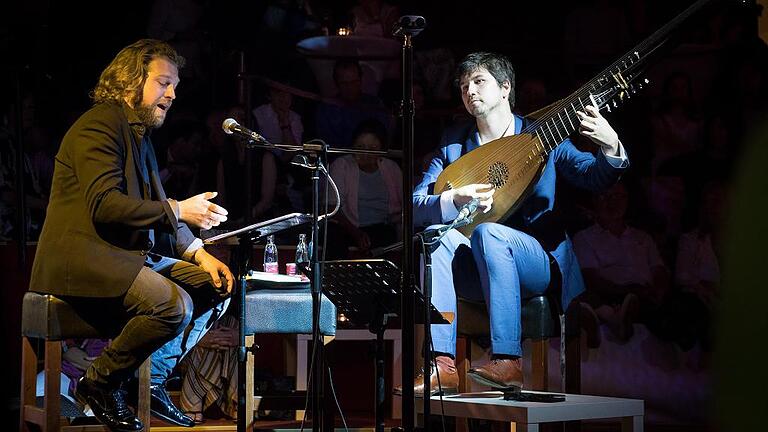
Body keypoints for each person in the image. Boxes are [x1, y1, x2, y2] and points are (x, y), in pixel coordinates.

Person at [28, 39, 234, 431]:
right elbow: (106, 204)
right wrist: (178, 209)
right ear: (129, 81)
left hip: (123, 257)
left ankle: (152, 379)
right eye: (163, 83)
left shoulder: (138, 135)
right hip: (85, 260)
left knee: (216, 285)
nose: (172, 94)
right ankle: (100, 384)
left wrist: (198, 252)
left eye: (175, 85)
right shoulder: (98, 126)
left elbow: (157, 207)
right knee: (171, 305)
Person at [404, 51, 629, 395]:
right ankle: (441, 364)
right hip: (476, 270)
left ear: (506, 87)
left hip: (534, 264)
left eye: (479, 81)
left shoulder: (541, 137)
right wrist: (453, 199)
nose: (470, 91)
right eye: (464, 86)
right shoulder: (453, 145)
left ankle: (508, 359)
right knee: (435, 239)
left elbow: (593, 176)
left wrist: (610, 144)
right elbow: (417, 205)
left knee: (489, 233)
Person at [327, 119, 402, 258]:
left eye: (372, 148)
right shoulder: (342, 165)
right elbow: (332, 207)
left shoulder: (391, 168)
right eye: (360, 146)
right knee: (333, 235)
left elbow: (406, 203)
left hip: (382, 227)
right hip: (348, 227)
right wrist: (355, 232)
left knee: (387, 238)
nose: (365, 153)